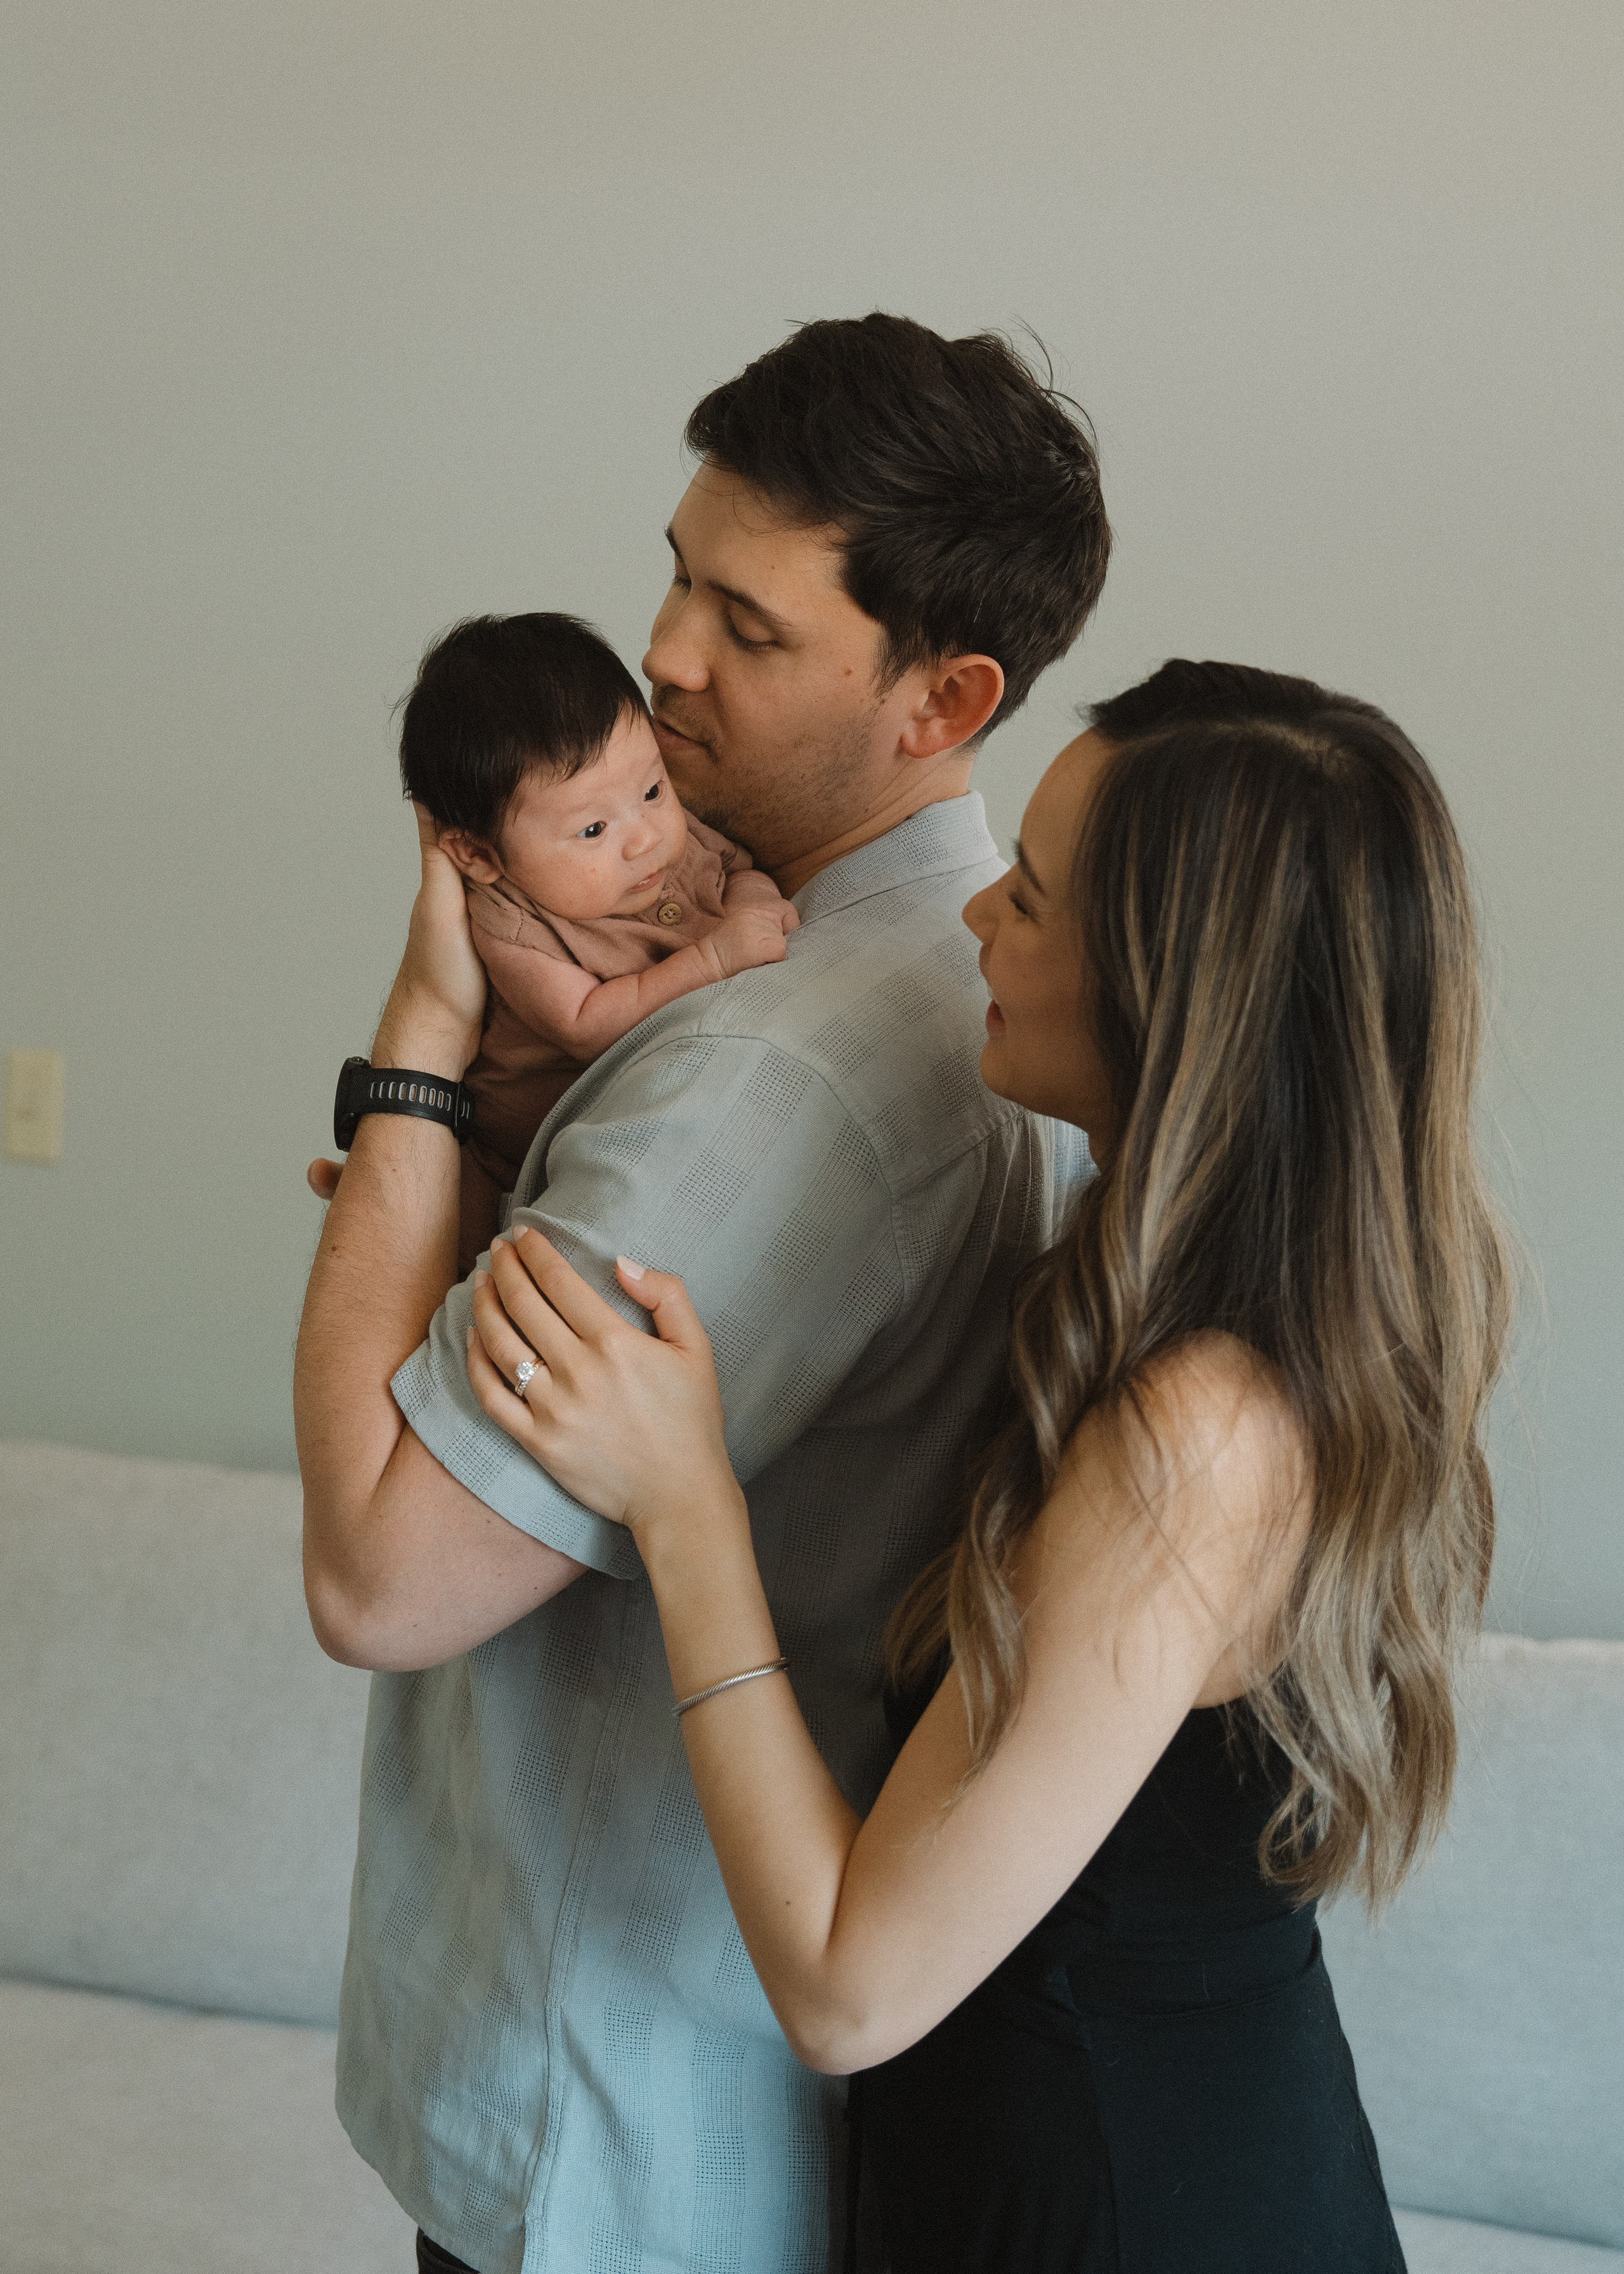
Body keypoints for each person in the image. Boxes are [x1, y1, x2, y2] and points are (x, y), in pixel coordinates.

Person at [462, 661, 1513, 2274]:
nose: (974, 928)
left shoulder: (1200, 1433)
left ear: (1169, 992)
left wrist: (686, 1506)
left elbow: (842, 1984)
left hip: (1133, 2208)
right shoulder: (1173, 1305)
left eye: (1026, 897)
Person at [293, 312, 1111, 2273]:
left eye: (746, 626)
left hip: (604, 2128)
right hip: (704, 2107)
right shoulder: (969, 987)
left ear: (943, 696)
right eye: (675, 571)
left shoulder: (775, 1071)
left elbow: (381, 1580)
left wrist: (415, 1042)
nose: (659, 652)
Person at [396, 612, 795, 1273]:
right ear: (478, 854)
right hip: (498, 1155)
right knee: (436, 1273)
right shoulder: (511, 923)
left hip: (604, 1142)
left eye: (651, 788)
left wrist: (758, 906)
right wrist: (716, 955)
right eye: (592, 831)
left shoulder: (674, 839)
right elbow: (586, 1024)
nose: (643, 837)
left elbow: (739, 870)